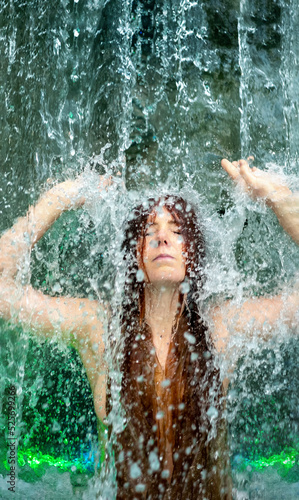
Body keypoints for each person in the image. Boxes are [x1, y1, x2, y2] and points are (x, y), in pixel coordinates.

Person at [0, 158, 299, 499]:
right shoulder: (100, 328)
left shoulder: (222, 328)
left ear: (194, 253)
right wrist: (58, 198)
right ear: (135, 254)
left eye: (177, 230)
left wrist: (279, 197)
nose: (162, 238)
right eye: (148, 231)